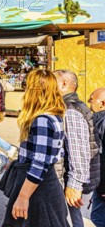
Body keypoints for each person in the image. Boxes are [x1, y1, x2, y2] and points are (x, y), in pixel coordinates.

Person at [1, 69, 68, 226]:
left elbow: (39, 163)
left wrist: (23, 197)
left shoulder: (43, 120)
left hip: (37, 187)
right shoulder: (54, 116)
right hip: (41, 183)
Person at [54, 70, 100, 227]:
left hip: (70, 180)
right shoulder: (71, 107)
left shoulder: (71, 110)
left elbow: (78, 152)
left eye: (52, 82)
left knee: (69, 220)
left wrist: (74, 186)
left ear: (64, 84)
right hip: (70, 178)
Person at [88, 87, 105, 226]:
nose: (89, 102)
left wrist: (103, 187)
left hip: (103, 187)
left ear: (102, 103)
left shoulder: (99, 122)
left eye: (92, 99)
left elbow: (102, 157)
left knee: (98, 219)